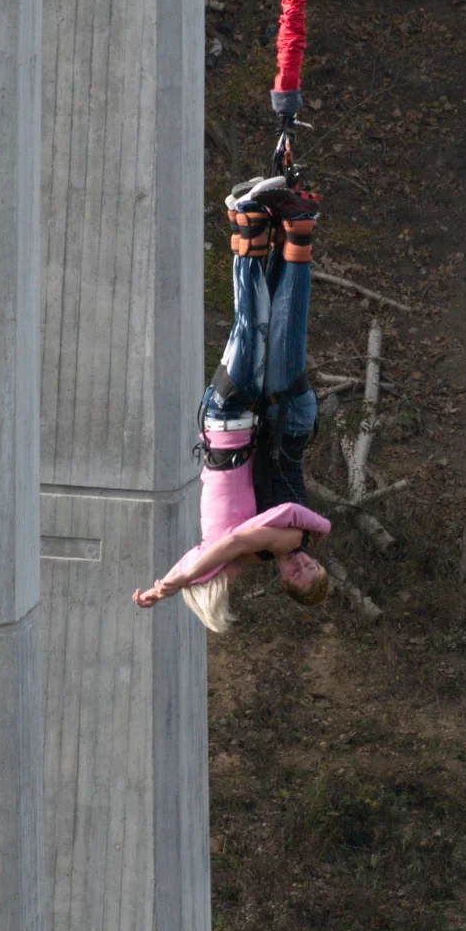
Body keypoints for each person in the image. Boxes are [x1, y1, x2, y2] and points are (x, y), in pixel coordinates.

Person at [133, 175, 330, 631]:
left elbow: (214, 551)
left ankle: (251, 221)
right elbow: (263, 524)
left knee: (259, 325)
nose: (302, 565)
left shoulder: (241, 548)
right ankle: (272, 222)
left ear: (282, 583)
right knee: (279, 326)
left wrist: (167, 587)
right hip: (277, 420)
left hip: (232, 422)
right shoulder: (282, 541)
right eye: (311, 568)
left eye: (299, 575)